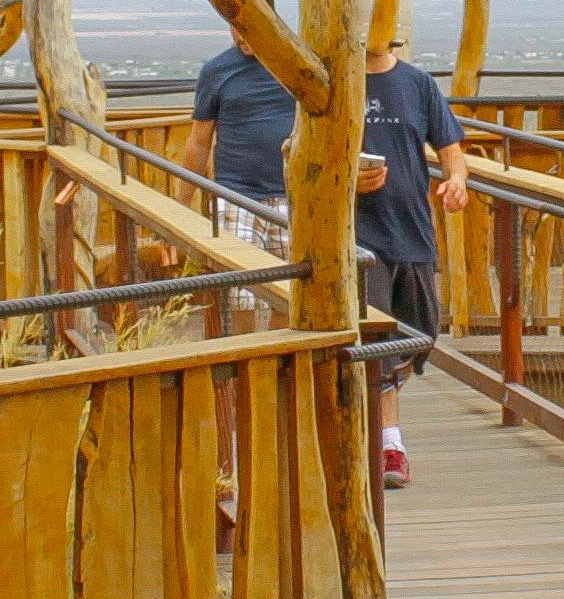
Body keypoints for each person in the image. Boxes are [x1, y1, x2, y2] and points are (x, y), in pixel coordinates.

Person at [189, 35, 470, 486]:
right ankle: (384, 443)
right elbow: (305, 153)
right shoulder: (332, 85)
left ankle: (365, 434)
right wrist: (347, 181)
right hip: (356, 237)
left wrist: (457, 181)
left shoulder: (417, 84)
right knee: (369, 340)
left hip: (413, 231)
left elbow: (452, 152)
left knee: (416, 338)